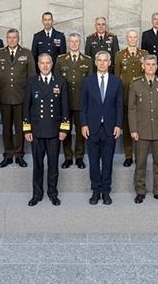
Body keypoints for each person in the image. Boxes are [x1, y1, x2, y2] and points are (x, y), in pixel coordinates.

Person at [23, 53, 70, 206]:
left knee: (53, 164)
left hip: (54, 131)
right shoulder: (31, 82)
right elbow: (26, 108)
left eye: (47, 63)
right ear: (38, 64)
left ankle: (52, 193)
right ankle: (37, 194)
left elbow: (65, 107)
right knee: (37, 165)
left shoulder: (60, 82)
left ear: (52, 64)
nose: (45, 66)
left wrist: (64, 129)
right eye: (42, 63)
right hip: (36, 131)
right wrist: (27, 129)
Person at [128, 55, 158, 204]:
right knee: (140, 163)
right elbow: (132, 109)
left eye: (153, 64)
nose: (150, 67)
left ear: (157, 66)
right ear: (143, 66)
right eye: (148, 64)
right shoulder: (136, 84)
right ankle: (140, 191)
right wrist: (133, 129)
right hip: (141, 130)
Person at [81, 51, 123, 205]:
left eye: (105, 60)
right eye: (99, 60)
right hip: (92, 128)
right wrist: (83, 124)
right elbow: (83, 106)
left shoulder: (116, 81)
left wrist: (118, 125)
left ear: (110, 63)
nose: (102, 63)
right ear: (95, 62)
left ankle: (105, 191)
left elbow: (119, 106)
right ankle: (95, 190)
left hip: (110, 128)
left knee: (107, 162)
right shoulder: (88, 81)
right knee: (93, 162)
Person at [0, 28, 36, 168]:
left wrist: (30, 97)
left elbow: (32, 77)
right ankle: (8, 154)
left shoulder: (26, 53)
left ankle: (19, 154)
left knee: (20, 128)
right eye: (9, 37)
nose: (12, 40)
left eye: (14, 37)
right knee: (6, 128)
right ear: (6, 39)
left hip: (21, 97)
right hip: (4, 96)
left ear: (18, 38)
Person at [54, 33, 92, 169]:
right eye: (72, 41)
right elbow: (56, 82)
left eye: (76, 41)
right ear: (69, 43)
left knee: (81, 131)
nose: (74, 44)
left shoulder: (87, 60)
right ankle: (68, 157)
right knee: (66, 129)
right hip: (65, 102)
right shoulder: (61, 60)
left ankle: (79, 156)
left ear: (80, 43)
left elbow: (90, 83)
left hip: (81, 102)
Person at [115, 29, 147, 168]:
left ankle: (140, 155)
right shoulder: (119, 55)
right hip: (126, 95)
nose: (132, 39)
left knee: (141, 126)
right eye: (130, 37)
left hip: (141, 96)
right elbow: (117, 77)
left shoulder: (144, 54)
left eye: (134, 37)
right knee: (127, 127)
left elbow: (147, 74)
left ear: (137, 39)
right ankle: (128, 155)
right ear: (126, 39)